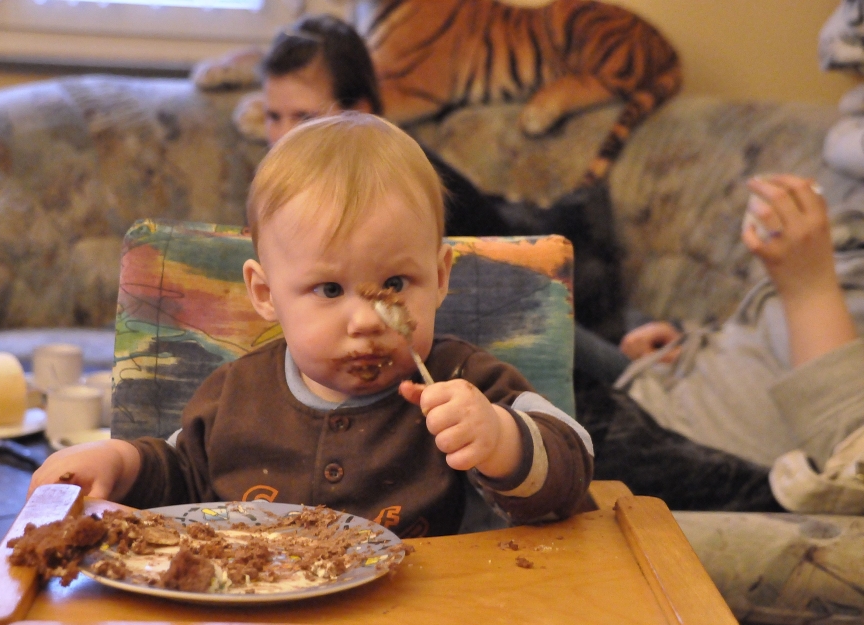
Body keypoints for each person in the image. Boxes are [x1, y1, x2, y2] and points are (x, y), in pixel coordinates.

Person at [29, 114, 594, 537]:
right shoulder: (234, 396)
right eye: (329, 290)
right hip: (258, 623)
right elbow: (180, 478)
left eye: (395, 283)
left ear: (440, 276)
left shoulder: (463, 384)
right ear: (265, 293)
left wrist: (501, 440)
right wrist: (120, 463)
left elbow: (573, 468)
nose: (366, 320)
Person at [573, 174, 864, 512]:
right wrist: (687, 334)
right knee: (529, 293)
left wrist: (809, 288)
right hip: (668, 380)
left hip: (679, 445)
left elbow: (850, 468)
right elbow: (767, 329)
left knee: (527, 323)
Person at [257, 14, 511, 238]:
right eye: (273, 117)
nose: (283, 138)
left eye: (305, 118)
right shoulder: (283, 186)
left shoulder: (398, 189)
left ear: (358, 114)